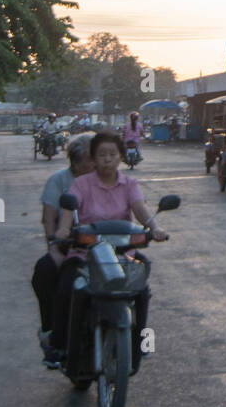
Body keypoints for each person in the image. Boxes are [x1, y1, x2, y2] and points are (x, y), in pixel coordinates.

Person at [50, 132, 168, 371]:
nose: (107, 159)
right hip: (86, 254)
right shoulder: (81, 184)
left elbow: (140, 209)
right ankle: (60, 346)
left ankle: (137, 345)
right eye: (101, 154)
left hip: (122, 255)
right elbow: (67, 211)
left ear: (121, 157)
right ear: (93, 158)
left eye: (112, 154)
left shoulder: (130, 184)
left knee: (141, 290)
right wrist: (63, 229)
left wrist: (154, 228)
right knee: (67, 288)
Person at [31, 132, 96, 366]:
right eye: (90, 158)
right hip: (70, 247)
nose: (96, 163)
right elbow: (49, 219)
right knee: (45, 273)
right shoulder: (59, 181)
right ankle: (52, 336)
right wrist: (54, 250)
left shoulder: (107, 179)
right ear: (76, 161)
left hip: (104, 247)